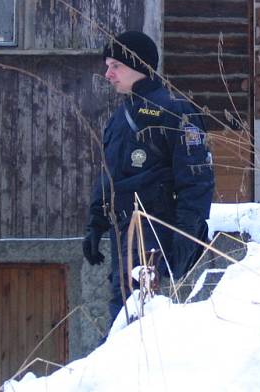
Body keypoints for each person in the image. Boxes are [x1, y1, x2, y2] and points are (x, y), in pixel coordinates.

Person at [82, 30, 215, 328]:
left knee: (139, 318)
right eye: (107, 66)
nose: (108, 74)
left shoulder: (175, 112)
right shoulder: (121, 116)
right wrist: (96, 223)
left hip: (155, 231)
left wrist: (184, 234)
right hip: (124, 231)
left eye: (115, 65)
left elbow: (196, 180)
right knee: (122, 313)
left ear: (138, 65)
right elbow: (111, 176)